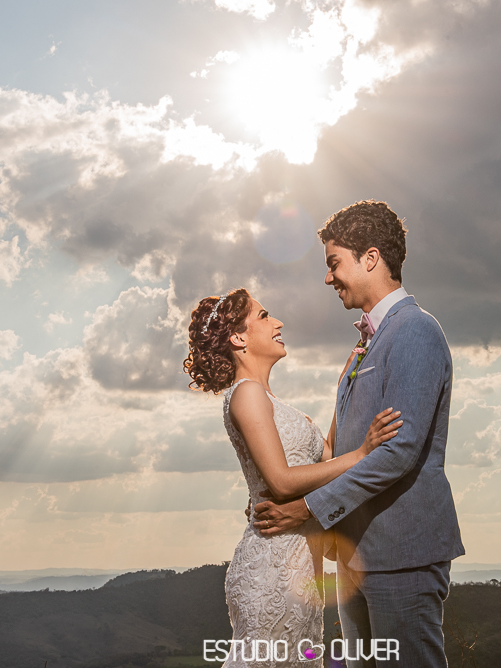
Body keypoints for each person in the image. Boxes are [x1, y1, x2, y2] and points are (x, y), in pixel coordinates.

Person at [253, 200, 465, 667]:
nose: (328, 278)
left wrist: (307, 510)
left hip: (403, 553)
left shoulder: (415, 331)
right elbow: (347, 446)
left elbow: (399, 452)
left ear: (371, 258)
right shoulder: (365, 343)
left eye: (334, 263)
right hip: (356, 557)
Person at [184, 288, 403, 668]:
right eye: (264, 316)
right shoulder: (247, 394)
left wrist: (344, 387)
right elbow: (282, 481)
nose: (278, 322)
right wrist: (362, 454)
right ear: (238, 338)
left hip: (301, 568)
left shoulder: (270, 400)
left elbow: (327, 458)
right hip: (272, 568)